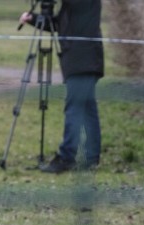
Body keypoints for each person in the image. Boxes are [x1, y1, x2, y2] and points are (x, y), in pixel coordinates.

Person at [19, 0, 104, 173]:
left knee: (74, 109)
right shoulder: (69, 7)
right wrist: (34, 19)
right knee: (87, 109)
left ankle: (67, 157)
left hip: (84, 59)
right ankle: (91, 158)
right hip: (79, 60)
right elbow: (59, 25)